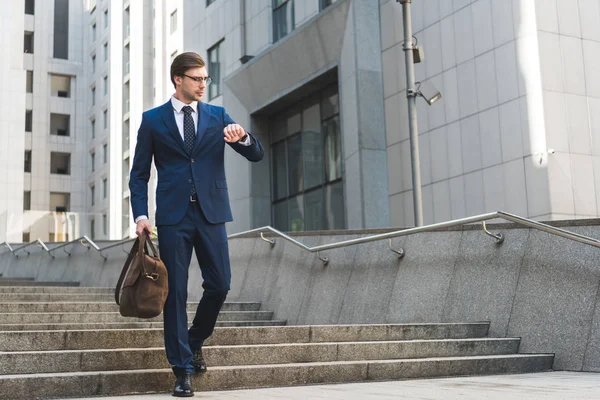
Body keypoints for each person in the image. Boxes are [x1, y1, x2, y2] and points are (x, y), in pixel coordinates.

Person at [129, 51, 264, 397]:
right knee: (174, 294)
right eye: (197, 78)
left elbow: (256, 153)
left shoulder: (218, 116)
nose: (203, 84)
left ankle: (194, 338)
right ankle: (181, 369)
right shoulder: (153, 120)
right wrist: (141, 216)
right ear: (179, 79)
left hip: (211, 213)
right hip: (172, 218)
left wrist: (243, 137)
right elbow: (139, 174)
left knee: (220, 283)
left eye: (206, 79)